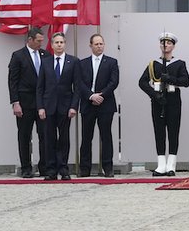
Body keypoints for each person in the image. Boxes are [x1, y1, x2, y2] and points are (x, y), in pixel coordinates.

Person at [138, 32, 189, 176]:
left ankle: (171, 164)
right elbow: (142, 82)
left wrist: (171, 78)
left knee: (173, 131)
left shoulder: (179, 63)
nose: (165, 45)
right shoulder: (153, 64)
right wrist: (154, 94)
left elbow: (186, 81)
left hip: (173, 100)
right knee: (159, 131)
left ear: (173, 46)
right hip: (158, 100)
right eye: (163, 43)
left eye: (168, 43)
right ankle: (161, 164)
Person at [36, 32, 79, 180]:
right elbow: (40, 87)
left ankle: (64, 169)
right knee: (49, 139)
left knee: (64, 139)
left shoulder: (73, 61)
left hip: (66, 107)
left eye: (61, 42)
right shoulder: (46, 62)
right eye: (56, 42)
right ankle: (51, 170)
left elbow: (77, 87)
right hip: (48, 107)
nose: (59, 45)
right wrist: (40, 107)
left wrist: (74, 106)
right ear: (52, 45)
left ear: (65, 44)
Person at [7, 26, 49, 178]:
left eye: (42, 41)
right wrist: (15, 102)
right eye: (38, 41)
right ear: (29, 40)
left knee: (44, 135)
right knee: (25, 136)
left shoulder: (45, 55)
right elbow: (13, 81)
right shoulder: (18, 56)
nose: (41, 44)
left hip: (42, 103)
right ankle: (26, 167)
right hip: (25, 103)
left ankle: (44, 167)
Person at [77, 33, 119, 177]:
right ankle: (85, 168)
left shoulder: (112, 62)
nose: (99, 46)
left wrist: (101, 95)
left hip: (105, 104)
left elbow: (114, 82)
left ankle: (108, 168)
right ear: (90, 46)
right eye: (96, 44)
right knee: (86, 137)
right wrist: (91, 95)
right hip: (88, 104)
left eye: (101, 44)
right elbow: (79, 83)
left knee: (106, 136)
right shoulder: (82, 63)